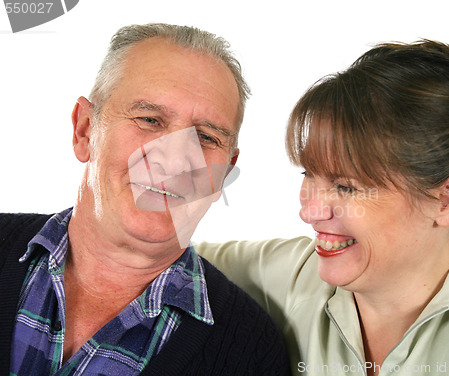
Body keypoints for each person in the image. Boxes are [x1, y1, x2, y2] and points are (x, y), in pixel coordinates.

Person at [0, 23, 290, 375]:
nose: (175, 159)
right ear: (85, 130)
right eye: (150, 119)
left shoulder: (252, 353)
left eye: (207, 137)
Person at [197, 40, 449, 375]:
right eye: (309, 174)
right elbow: (155, 265)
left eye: (345, 186)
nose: (310, 212)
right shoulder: (292, 277)